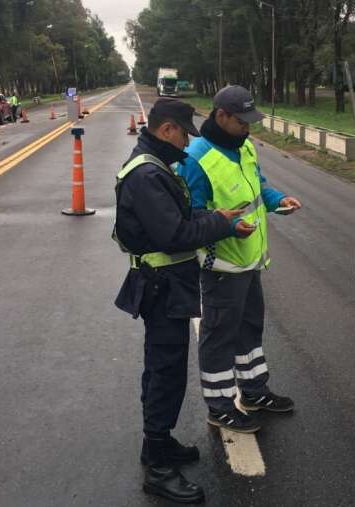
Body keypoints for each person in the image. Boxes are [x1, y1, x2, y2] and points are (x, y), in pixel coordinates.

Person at [114, 98, 251, 504]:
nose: (186, 145)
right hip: (162, 285)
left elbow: (181, 220)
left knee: (163, 368)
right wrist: (221, 223)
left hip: (166, 283)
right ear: (167, 129)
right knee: (166, 371)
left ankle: (157, 443)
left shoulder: (155, 166)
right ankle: (158, 467)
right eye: (183, 135)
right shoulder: (147, 175)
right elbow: (174, 235)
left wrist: (215, 218)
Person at [178, 85, 301, 433]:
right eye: (242, 121)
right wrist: (229, 226)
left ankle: (254, 391)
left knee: (250, 329)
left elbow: (259, 186)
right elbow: (191, 217)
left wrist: (279, 200)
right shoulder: (197, 159)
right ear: (221, 116)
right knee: (219, 336)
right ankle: (219, 406)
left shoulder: (243, 146)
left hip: (250, 264)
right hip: (221, 268)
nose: (249, 128)